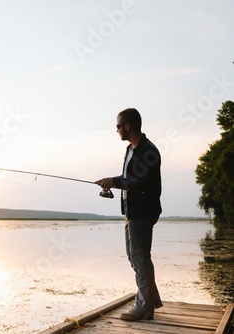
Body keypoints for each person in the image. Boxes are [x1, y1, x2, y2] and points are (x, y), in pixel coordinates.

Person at [96, 108, 163, 321]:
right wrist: (111, 182)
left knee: (139, 257)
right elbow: (128, 177)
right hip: (131, 211)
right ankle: (151, 299)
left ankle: (144, 308)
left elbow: (142, 183)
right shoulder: (130, 150)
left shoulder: (148, 151)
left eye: (117, 126)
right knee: (134, 257)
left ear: (127, 126)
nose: (116, 130)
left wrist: (115, 182)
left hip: (143, 212)